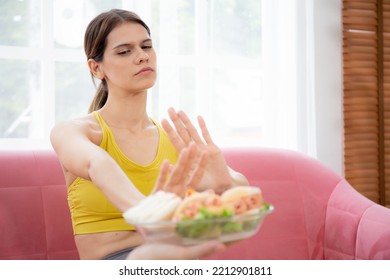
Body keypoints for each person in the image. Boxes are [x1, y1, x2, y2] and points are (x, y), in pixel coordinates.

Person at [50, 8, 248, 260]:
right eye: (124, 51)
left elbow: (242, 192)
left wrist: (225, 184)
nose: (142, 56)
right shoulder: (74, 132)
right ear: (96, 68)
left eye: (147, 46)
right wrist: (148, 214)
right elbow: (96, 163)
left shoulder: (173, 138)